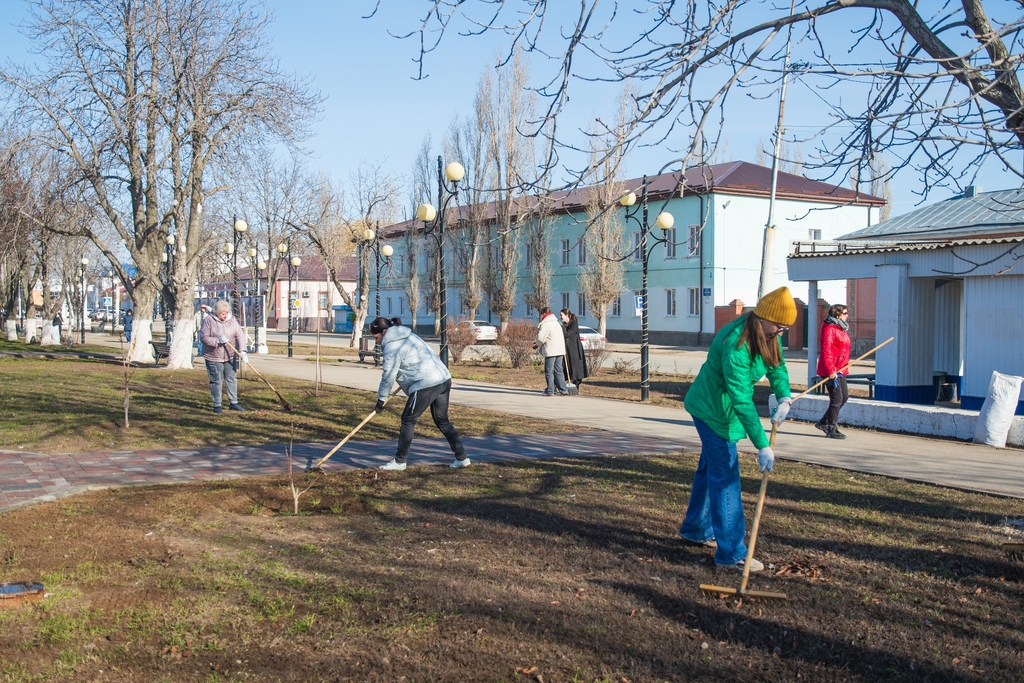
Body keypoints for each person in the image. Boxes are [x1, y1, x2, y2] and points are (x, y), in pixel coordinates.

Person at [679, 286, 796, 573]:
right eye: (779, 326)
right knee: (726, 477)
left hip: (723, 409)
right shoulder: (737, 344)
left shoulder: (769, 335)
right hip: (712, 411)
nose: (781, 333)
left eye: (785, 328)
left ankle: (696, 528)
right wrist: (762, 444)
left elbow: (777, 368)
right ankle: (731, 552)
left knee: (711, 470)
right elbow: (741, 399)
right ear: (763, 317)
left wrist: (784, 397)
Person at [372, 316, 470, 471]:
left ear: (384, 332)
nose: (376, 342)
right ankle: (462, 458)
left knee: (407, 420)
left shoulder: (392, 347)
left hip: (426, 383)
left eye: (376, 337)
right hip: (443, 378)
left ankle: (399, 462)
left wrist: (381, 399)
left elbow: (388, 375)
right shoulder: (409, 335)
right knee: (442, 420)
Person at [199, 299, 247, 413]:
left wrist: (243, 351)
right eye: (222, 314)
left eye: (226, 313)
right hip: (213, 356)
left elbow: (240, 335)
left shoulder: (232, 320)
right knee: (216, 380)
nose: (224, 316)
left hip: (230, 355)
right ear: (216, 312)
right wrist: (217, 341)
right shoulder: (209, 320)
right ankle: (217, 404)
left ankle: (233, 403)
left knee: (231, 379)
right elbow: (204, 337)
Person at [815, 303, 851, 439]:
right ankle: (831, 428)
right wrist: (831, 370)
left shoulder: (841, 328)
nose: (847, 316)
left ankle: (824, 422)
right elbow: (827, 351)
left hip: (840, 370)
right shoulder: (830, 329)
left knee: (844, 397)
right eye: (845, 313)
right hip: (831, 370)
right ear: (837, 314)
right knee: (837, 399)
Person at [535, 306, 568, 396]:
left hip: (551, 351)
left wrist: (537, 344)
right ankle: (563, 390)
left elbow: (541, 339)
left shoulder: (546, 324)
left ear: (544, 314)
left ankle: (550, 390)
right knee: (559, 370)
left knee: (549, 371)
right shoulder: (556, 323)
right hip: (560, 350)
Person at [560, 308, 589, 388]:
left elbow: (567, 334)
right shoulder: (564, 325)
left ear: (567, 315)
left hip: (575, 351)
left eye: (561, 315)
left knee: (575, 369)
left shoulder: (574, 324)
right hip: (566, 350)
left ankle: (576, 386)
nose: (560, 317)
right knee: (566, 369)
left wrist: (563, 327)